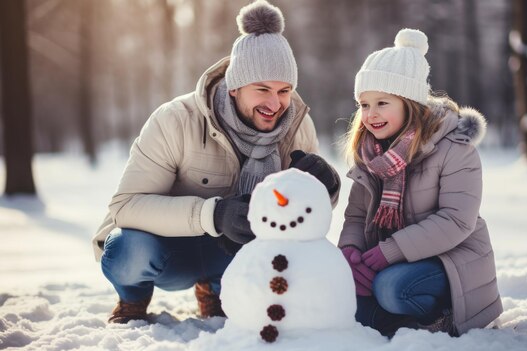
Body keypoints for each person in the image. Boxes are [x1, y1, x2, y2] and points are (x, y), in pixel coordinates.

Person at [92, 0, 340, 324]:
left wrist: (327, 187)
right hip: (168, 251)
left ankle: (217, 290)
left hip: (236, 252)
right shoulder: (176, 120)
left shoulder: (296, 125)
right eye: (262, 88)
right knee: (128, 250)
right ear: (235, 87)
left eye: (284, 90)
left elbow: (301, 213)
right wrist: (214, 214)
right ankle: (133, 298)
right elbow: (126, 206)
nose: (275, 103)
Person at [339, 28, 502, 337]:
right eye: (364, 104)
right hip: (390, 258)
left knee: (391, 288)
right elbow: (357, 216)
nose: (370, 115)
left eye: (382, 103)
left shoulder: (454, 147)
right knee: (342, 294)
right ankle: (400, 325)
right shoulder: (370, 153)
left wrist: (390, 251)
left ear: (409, 102)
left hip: (452, 261)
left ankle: (444, 315)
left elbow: (457, 221)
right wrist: (350, 251)